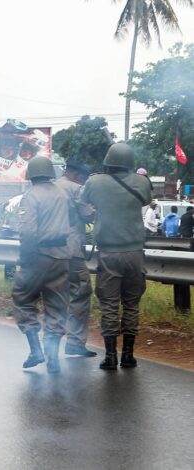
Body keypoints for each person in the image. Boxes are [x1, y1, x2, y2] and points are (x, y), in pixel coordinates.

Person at [81, 143, 153, 370]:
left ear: (108, 161)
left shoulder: (95, 181)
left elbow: (83, 205)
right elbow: (145, 201)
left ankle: (110, 356)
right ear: (130, 162)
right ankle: (128, 355)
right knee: (131, 304)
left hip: (108, 253)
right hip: (134, 252)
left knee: (110, 304)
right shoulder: (141, 181)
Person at [12, 157, 71, 374]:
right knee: (57, 303)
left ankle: (36, 350)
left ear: (31, 175)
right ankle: (53, 356)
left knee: (23, 297)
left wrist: (24, 258)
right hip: (63, 256)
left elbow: (28, 232)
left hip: (39, 255)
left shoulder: (31, 196)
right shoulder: (62, 193)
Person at [55, 161, 98, 358]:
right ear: (74, 173)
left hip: (46, 252)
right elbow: (88, 214)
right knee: (81, 292)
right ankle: (74, 341)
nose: (83, 179)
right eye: (82, 175)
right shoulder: (76, 189)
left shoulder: (49, 187)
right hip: (70, 251)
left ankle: (50, 344)